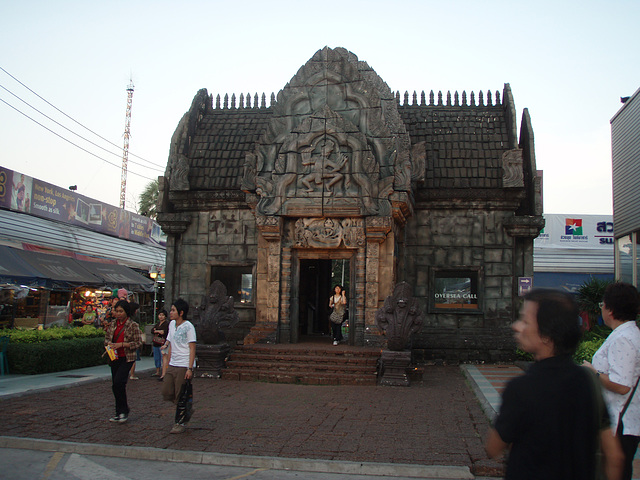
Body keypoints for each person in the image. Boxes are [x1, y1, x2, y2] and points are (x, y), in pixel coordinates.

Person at [485, 289, 623, 480]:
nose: (516, 326)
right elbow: (615, 456)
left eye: (525, 321)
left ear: (547, 335)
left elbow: (493, 447)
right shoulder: (588, 381)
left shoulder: (521, 388)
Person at [583, 282, 640, 480]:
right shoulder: (627, 334)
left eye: (602, 304)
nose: (602, 308)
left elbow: (623, 386)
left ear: (611, 309)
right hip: (622, 422)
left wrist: (593, 372)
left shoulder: (623, 338)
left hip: (620, 424)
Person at [103, 299, 142, 424]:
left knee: (120, 382)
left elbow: (138, 343)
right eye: (117, 311)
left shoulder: (132, 325)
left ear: (127, 312)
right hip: (114, 357)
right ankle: (118, 411)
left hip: (127, 357)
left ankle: (124, 410)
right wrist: (109, 344)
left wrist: (122, 344)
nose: (119, 313)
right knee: (115, 384)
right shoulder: (113, 324)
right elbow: (107, 339)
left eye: (121, 311)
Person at [161, 298, 196, 434]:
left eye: (173, 310)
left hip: (183, 364)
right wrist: (165, 345)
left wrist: (190, 368)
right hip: (173, 363)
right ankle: (187, 407)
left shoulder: (189, 327)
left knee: (180, 394)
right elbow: (169, 338)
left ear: (181, 312)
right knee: (167, 391)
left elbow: (192, 348)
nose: (170, 312)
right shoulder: (171, 325)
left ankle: (179, 422)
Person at [151, 309, 169, 377]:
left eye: (162, 315)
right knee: (156, 358)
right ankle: (157, 371)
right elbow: (152, 330)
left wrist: (157, 331)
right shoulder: (157, 324)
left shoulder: (167, 324)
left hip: (162, 343)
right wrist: (158, 331)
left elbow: (164, 332)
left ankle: (164, 372)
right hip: (156, 343)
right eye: (160, 315)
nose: (161, 317)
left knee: (163, 358)